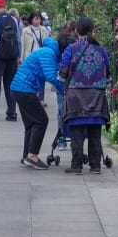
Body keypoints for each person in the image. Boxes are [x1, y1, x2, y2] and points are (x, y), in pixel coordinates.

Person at [59, 16, 111, 175]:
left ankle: (76, 165)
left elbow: (63, 71)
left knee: (77, 131)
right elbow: (107, 71)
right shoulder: (101, 50)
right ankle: (95, 166)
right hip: (96, 95)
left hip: (76, 95)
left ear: (76, 31)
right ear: (93, 30)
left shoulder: (71, 49)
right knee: (95, 131)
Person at [11, 37, 65, 170]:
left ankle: (27, 157)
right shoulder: (48, 53)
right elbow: (51, 76)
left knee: (31, 124)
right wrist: (66, 90)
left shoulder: (48, 51)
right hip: (25, 89)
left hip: (19, 88)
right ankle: (32, 156)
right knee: (41, 120)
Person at [53, 20, 78, 150]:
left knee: (61, 110)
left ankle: (62, 139)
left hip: (61, 81)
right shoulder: (73, 45)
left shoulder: (60, 41)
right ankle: (74, 138)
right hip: (72, 83)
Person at [21, 11, 49, 105]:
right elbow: (22, 45)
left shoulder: (44, 30)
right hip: (30, 57)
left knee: (41, 78)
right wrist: (21, 58)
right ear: (31, 19)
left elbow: (48, 44)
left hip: (41, 58)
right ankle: (31, 97)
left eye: (39, 19)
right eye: (35, 19)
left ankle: (41, 99)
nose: (37, 21)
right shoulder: (26, 30)